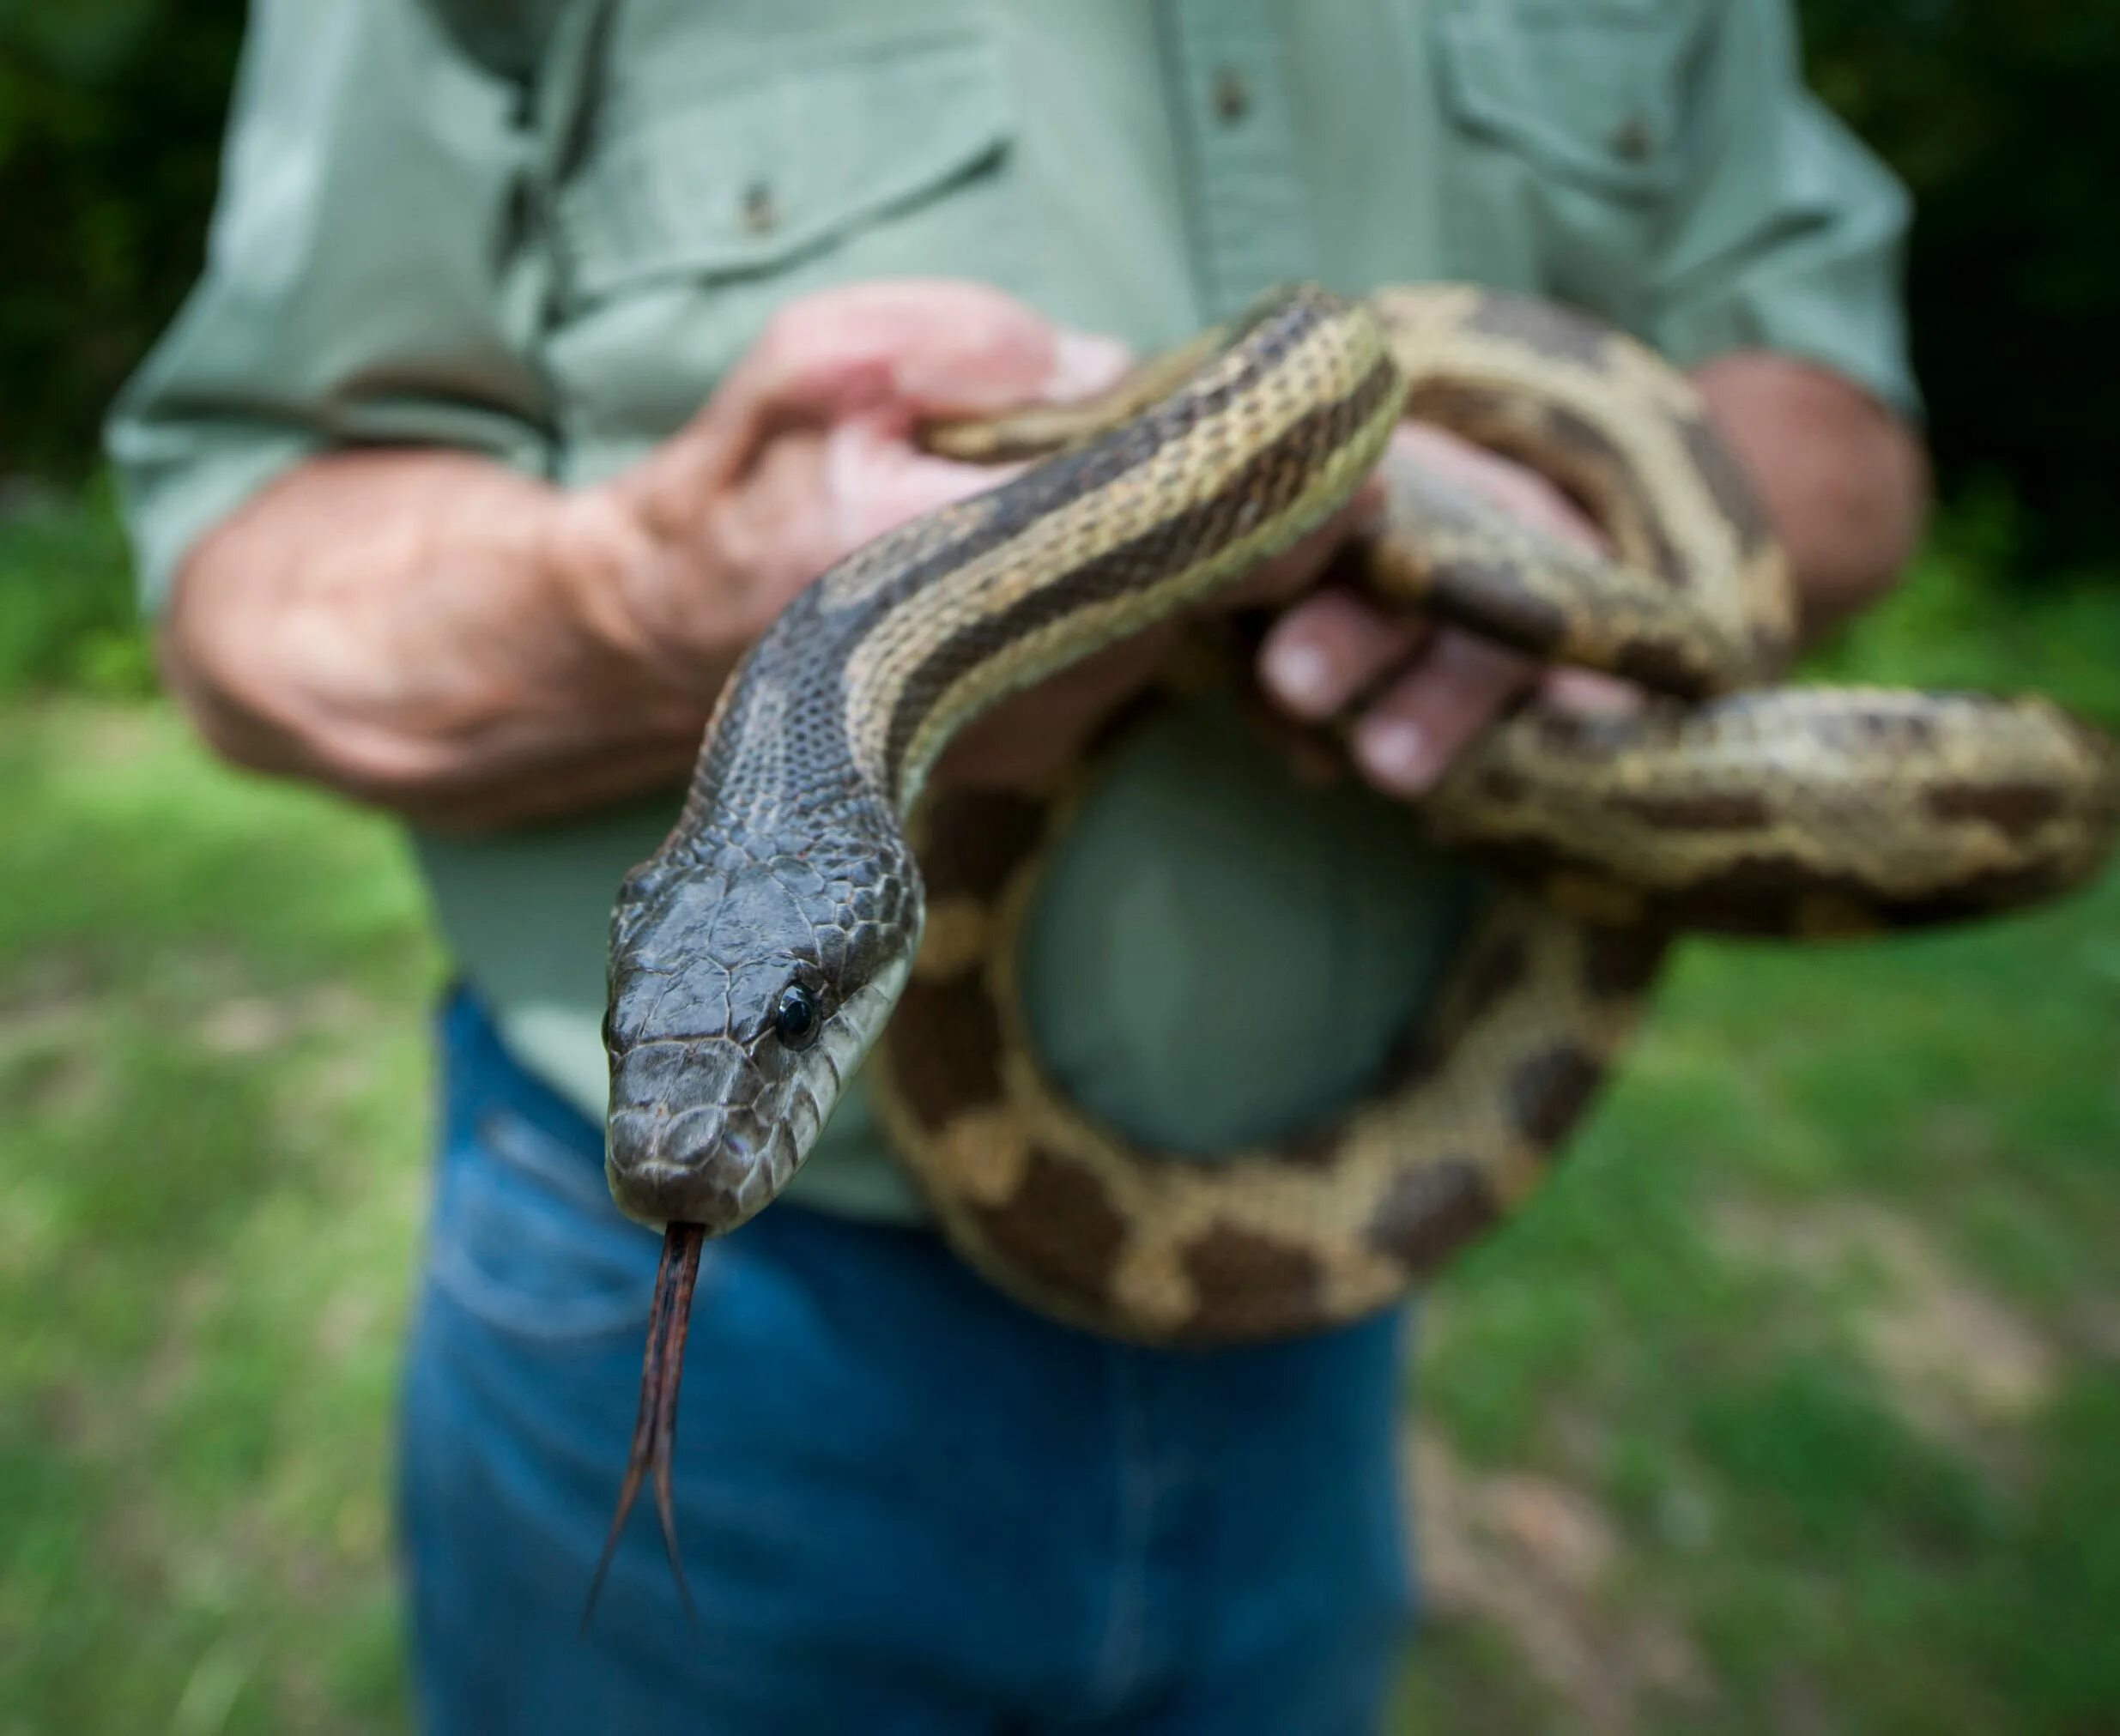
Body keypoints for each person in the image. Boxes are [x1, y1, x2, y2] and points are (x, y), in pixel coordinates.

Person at [109, 2, 1929, 1730]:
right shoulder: (801, 871)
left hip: (1313, 1337)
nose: (705, 1123)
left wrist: (1526, 549)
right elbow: (239, 571)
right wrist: (655, 597)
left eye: (784, 1015)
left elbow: (1841, 415)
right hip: (694, 1340)